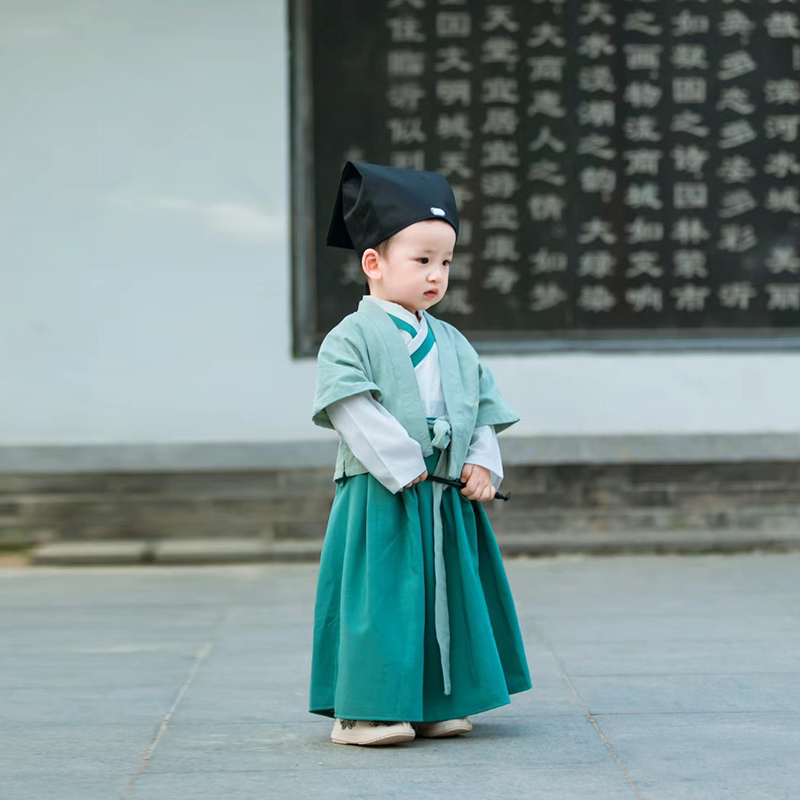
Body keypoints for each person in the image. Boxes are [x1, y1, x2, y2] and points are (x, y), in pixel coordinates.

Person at [309, 161, 532, 746]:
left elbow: (481, 407)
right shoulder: (350, 337)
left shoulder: (453, 340)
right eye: (421, 260)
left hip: (444, 493)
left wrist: (480, 463)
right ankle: (363, 711)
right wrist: (407, 468)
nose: (436, 275)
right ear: (373, 264)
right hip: (384, 491)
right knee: (380, 597)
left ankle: (435, 701)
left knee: (444, 597)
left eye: (446, 262)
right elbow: (350, 407)